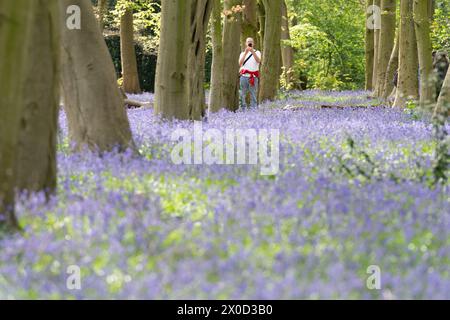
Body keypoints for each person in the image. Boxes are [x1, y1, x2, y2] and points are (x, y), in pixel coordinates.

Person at [239, 38, 262, 110]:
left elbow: (258, 61)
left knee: (253, 94)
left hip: (254, 77)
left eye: (251, 42)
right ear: (246, 43)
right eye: (248, 42)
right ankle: (243, 109)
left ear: (253, 43)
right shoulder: (242, 53)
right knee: (243, 94)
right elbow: (240, 63)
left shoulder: (257, 52)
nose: (249, 43)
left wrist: (252, 51)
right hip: (244, 77)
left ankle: (253, 110)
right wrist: (246, 53)